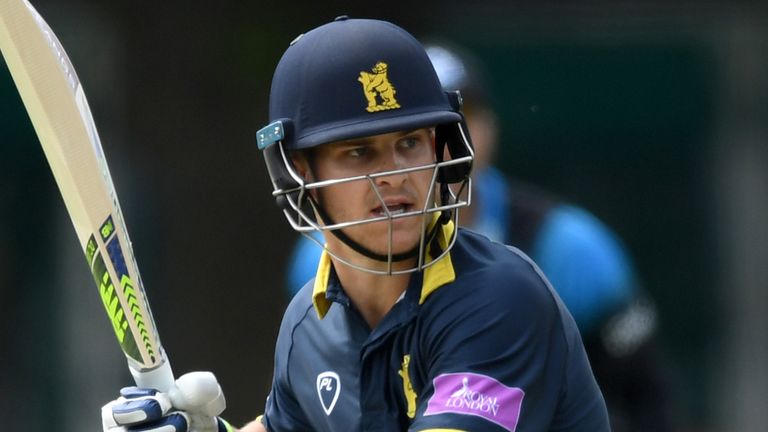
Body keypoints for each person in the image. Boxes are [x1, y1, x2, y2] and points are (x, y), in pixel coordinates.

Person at [101, 17, 610, 431]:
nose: (396, 176)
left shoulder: (499, 299)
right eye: (359, 152)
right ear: (300, 171)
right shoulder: (309, 322)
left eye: (409, 143)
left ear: (441, 150)